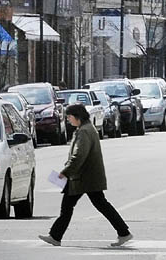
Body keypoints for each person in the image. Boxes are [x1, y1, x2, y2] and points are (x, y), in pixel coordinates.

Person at [39, 103, 132, 248]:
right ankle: (123, 232)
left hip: (83, 177)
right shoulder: (86, 129)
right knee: (97, 205)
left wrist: (65, 172)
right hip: (85, 176)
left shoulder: (84, 132)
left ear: (77, 117)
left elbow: (78, 155)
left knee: (72, 207)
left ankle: (55, 236)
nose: (68, 120)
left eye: (69, 117)